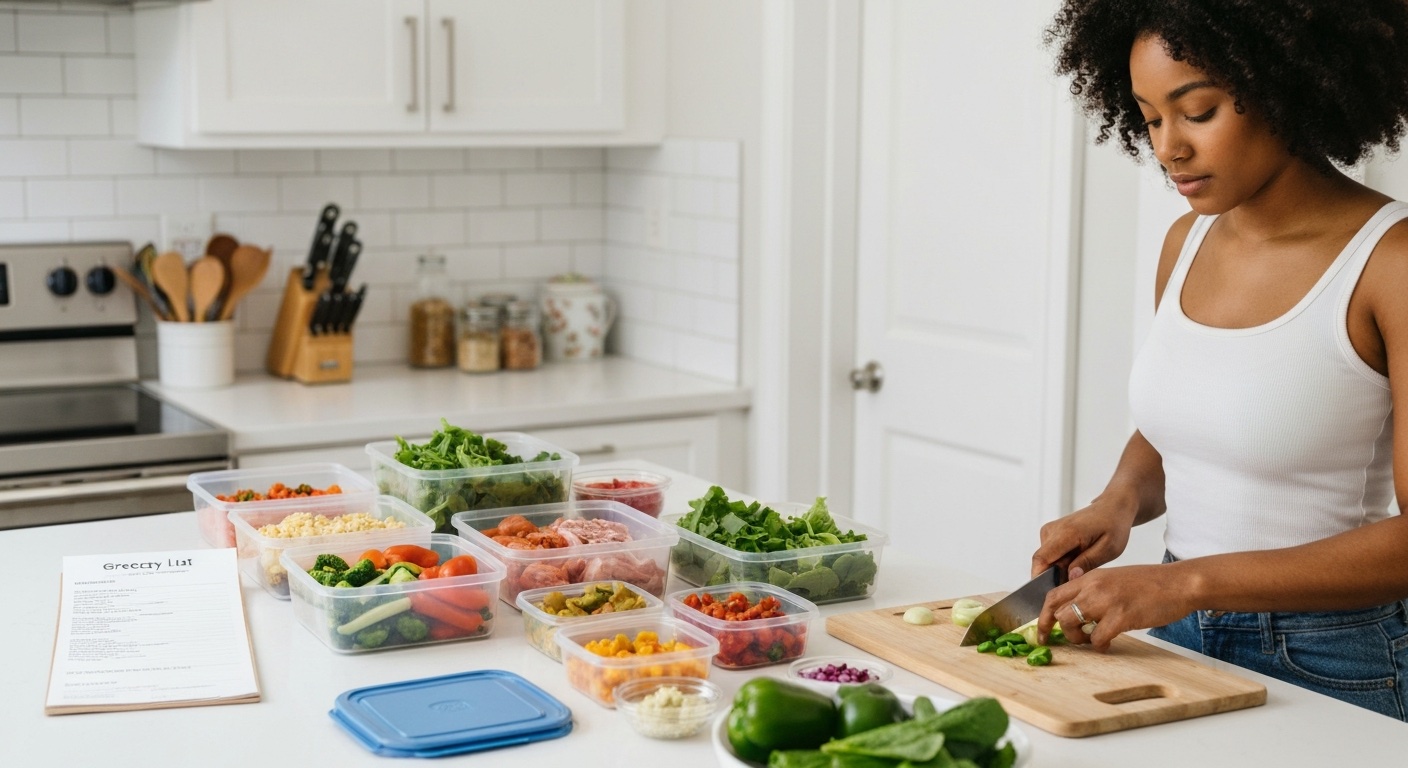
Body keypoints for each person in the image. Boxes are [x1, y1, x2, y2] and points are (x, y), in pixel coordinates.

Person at [1034, 0, 1408, 720]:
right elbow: (1192, 416)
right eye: (1149, 118)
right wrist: (1118, 503)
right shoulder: (1186, 242)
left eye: (1197, 110)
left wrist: (1187, 585)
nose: (1168, 147)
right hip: (1165, 630)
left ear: (1286, 86)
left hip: (1334, 656)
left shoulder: (1389, 262)